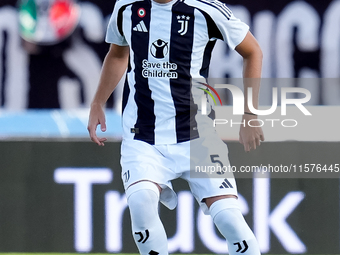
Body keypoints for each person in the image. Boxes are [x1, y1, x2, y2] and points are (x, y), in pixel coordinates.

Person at [88, 0, 265, 254]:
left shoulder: (207, 9)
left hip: (198, 137)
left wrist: (249, 114)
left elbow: (253, 51)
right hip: (143, 135)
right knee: (141, 201)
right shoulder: (127, 6)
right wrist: (97, 103)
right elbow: (118, 54)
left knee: (230, 220)